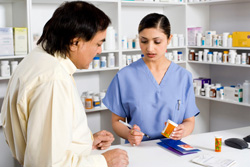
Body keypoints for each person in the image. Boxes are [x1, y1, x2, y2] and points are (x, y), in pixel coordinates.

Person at [0, 1, 128, 167]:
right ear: (75, 43)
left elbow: (43, 140)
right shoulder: (53, 80)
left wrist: (83, 141)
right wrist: (104, 161)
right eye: (98, 43)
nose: (99, 51)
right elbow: (49, 163)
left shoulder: (37, 59)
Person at [103, 13, 200, 146]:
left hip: (174, 149)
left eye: (157, 42)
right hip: (139, 150)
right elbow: (116, 121)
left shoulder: (183, 77)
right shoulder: (124, 76)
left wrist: (182, 131)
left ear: (169, 39)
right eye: (144, 41)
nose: (149, 48)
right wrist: (129, 134)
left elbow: (189, 121)